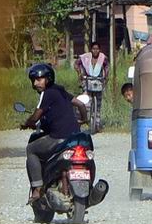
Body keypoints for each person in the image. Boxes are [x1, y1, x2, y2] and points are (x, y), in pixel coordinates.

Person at [21, 60, 82, 198]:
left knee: (31, 149)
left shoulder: (47, 93)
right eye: (34, 80)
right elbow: (80, 105)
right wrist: (83, 120)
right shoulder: (60, 90)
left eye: (39, 79)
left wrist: (27, 123)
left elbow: (36, 116)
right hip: (74, 137)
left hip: (59, 137)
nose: (36, 83)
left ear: (48, 79)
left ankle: (37, 188)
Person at [74, 41, 109, 127]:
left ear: (99, 50)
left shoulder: (103, 58)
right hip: (87, 80)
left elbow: (107, 67)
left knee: (98, 103)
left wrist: (106, 76)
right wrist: (79, 73)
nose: (95, 51)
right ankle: (83, 119)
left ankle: (96, 124)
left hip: (98, 81)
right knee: (86, 100)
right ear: (91, 49)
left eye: (97, 49)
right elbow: (76, 64)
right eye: (94, 49)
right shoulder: (85, 57)